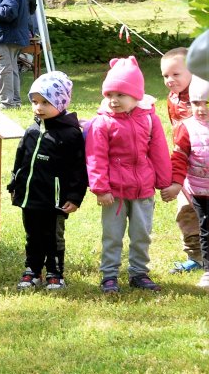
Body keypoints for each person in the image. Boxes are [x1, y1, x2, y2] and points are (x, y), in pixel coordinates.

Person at [86, 56, 178, 294]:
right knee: (112, 235)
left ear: (136, 95)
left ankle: (139, 272)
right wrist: (101, 188)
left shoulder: (149, 119)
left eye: (120, 95)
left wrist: (165, 183)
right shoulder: (102, 123)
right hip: (114, 192)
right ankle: (109, 275)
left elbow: (159, 153)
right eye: (109, 95)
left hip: (143, 189)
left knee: (141, 235)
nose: (114, 101)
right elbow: (96, 157)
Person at [8, 72, 86, 292]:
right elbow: (21, 159)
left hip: (54, 200)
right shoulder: (32, 130)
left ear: (61, 102)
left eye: (45, 102)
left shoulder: (70, 134)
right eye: (35, 102)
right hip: (30, 197)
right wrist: (15, 185)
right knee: (32, 235)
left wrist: (74, 196)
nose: (38, 107)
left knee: (53, 237)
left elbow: (78, 168)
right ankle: (32, 270)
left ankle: (55, 272)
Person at [159, 48, 200, 272]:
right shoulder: (172, 98)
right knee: (186, 211)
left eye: (176, 74)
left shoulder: (203, 96)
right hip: (185, 163)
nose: (170, 80)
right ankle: (197, 256)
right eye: (166, 75)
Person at [170, 76, 209, 290]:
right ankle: (208, 270)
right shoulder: (186, 128)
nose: (201, 108)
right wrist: (175, 183)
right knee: (206, 230)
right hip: (201, 191)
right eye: (196, 103)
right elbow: (179, 158)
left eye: (207, 103)